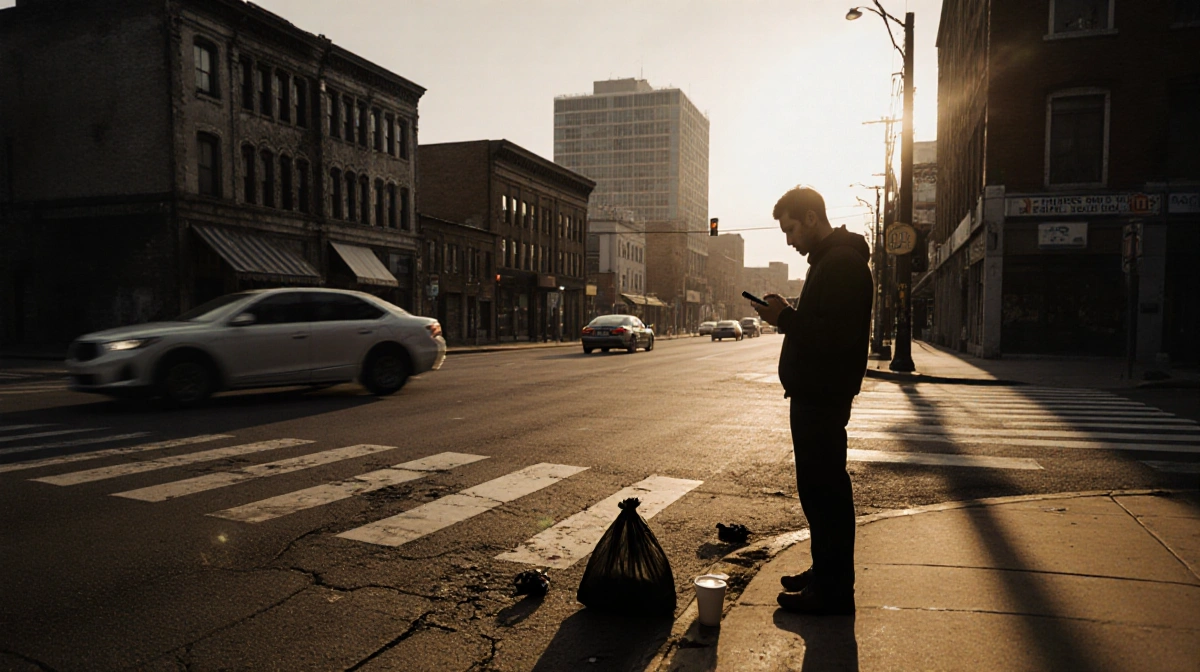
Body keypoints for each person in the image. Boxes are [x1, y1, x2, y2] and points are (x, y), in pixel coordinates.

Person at [752, 186, 873, 615]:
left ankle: (834, 587)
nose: (788, 239)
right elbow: (822, 324)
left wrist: (785, 317)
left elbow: (835, 337)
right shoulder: (829, 261)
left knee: (826, 493)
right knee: (818, 491)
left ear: (809, 216)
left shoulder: (841, 263)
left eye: (790, 229)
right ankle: (826, 572)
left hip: (823, 395)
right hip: (815, 393)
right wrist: (790, 313)